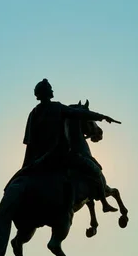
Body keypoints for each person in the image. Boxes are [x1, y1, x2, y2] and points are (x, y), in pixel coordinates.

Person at [21, 79, 119, 212]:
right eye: (51, 89)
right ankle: (104, 203)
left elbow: (29, 142)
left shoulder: (33, 114)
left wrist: (28, 165)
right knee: (95, 170)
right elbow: (80, 113)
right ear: (48, 93)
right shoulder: (57, 107)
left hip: (36, 159)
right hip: (58, 155)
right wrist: (102, 117)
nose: (52, 91)